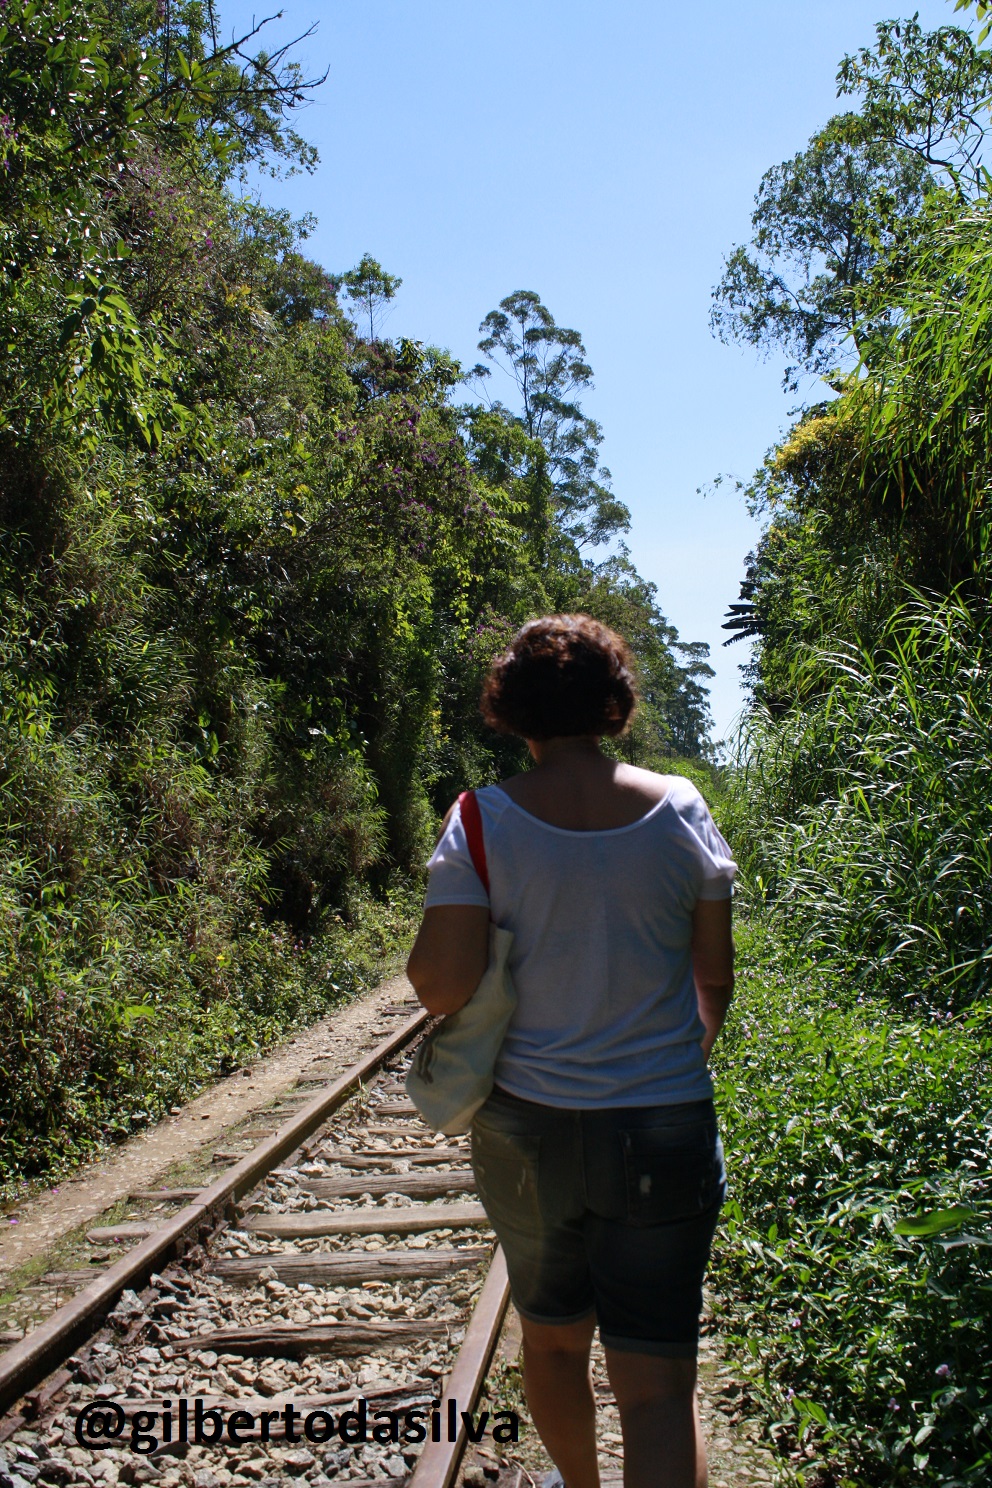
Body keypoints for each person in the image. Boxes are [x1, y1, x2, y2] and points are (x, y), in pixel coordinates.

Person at [406, 614, 735, 1488]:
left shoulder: (481, 819)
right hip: (663, 1123)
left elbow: (441, 986)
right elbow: (713, 986)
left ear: (510, 708)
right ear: (613, 702)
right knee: (659, 1390)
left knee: (551, 1347)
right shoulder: (683, 810)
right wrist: (658, 1069)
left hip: (528, 1131)